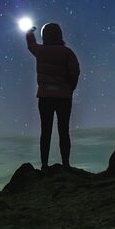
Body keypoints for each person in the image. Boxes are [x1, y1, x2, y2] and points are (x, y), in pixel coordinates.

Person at [25, 22, 81, 169]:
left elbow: (31, 44)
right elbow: (75, 72)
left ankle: (44, 165)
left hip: (45, 97)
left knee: (46, 131)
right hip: (64, 97)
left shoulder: (41, 51)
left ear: (44, 35)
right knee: (64, 130)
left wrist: (29, 32)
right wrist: (70, 88)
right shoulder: (67, 52)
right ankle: (66, 163)